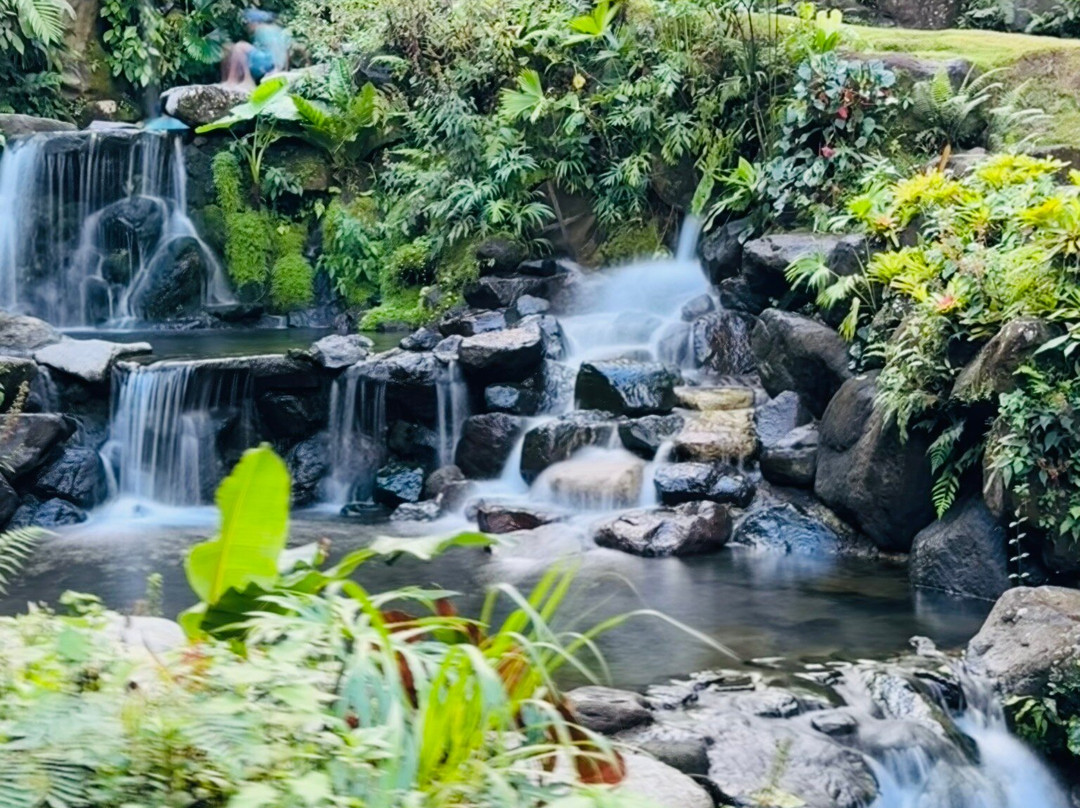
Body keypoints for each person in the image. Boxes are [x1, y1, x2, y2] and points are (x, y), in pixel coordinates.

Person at [220, 8, 291, 89]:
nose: (246, 27)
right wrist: (285, 68)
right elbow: (287, 50)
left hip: (269, 64)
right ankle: (229, 80)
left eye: (247, 23)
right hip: (269, 62)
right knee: (229, 48)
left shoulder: (262, 29)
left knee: (240, 46)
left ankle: (235, 80)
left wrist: (277, 69)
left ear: (254, 22)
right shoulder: (272, 29)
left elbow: (275, 47)